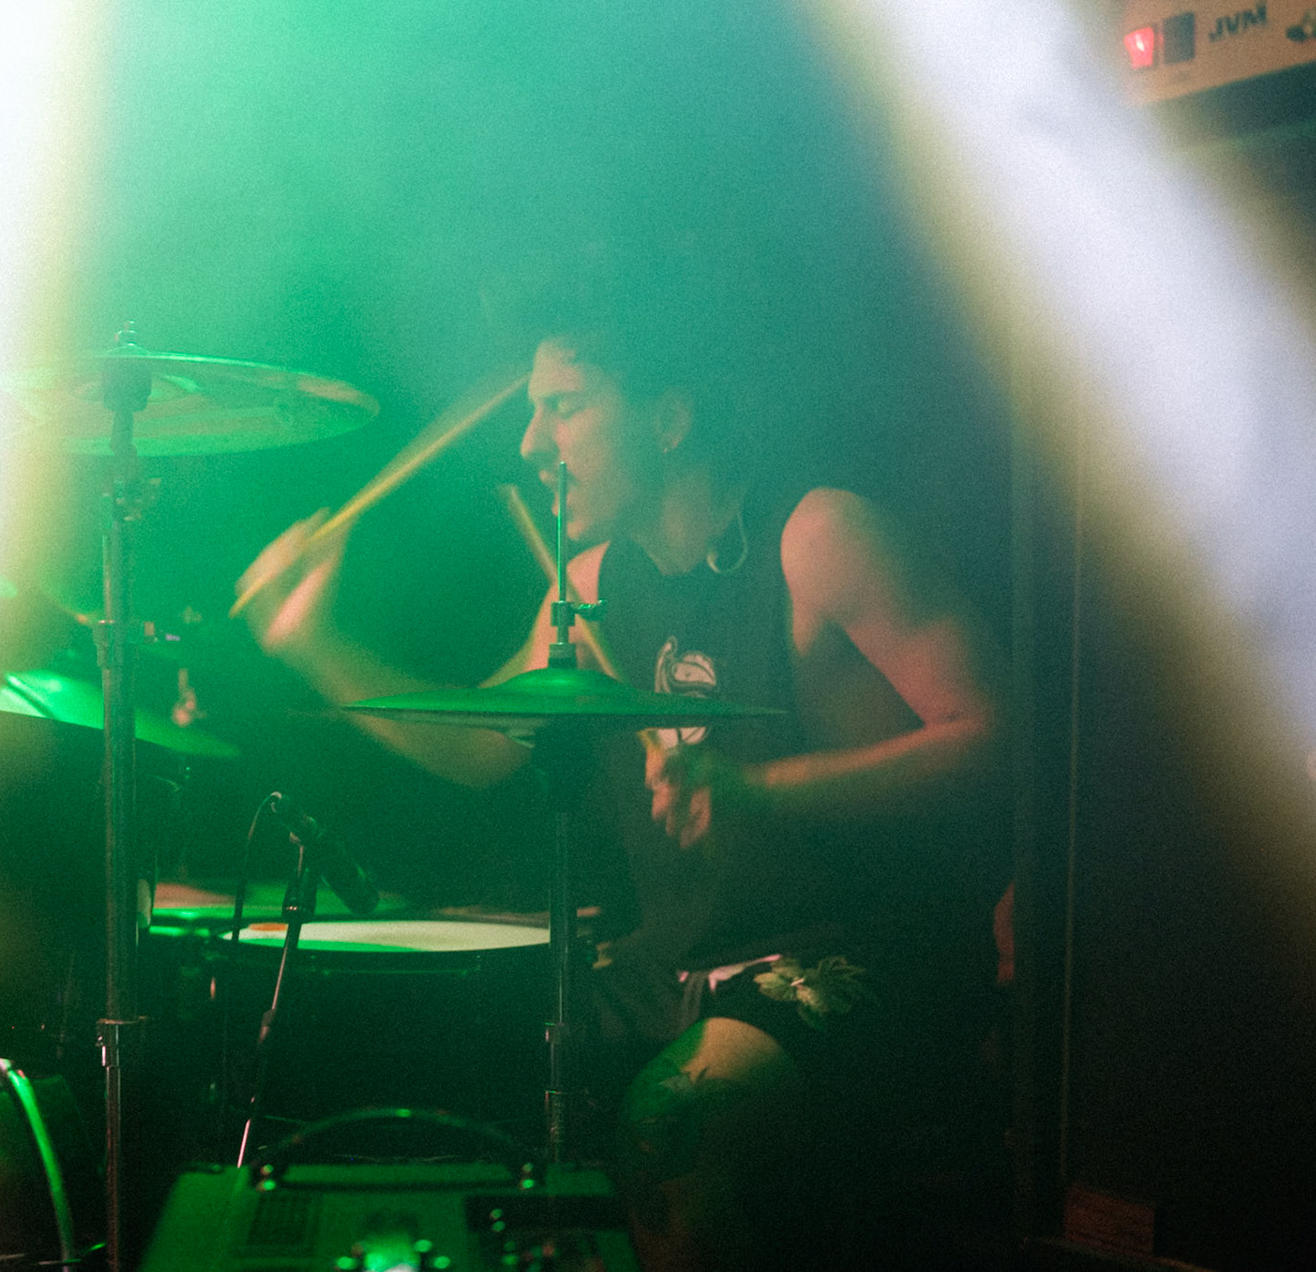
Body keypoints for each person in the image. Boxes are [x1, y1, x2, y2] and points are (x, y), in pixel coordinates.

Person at [234, 262, 1004, 1270]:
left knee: (666, 1130)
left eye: (564, 406)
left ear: (669, 419)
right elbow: (480, 747)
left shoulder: (817, 537)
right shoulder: (590, 584)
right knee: (458, 1079)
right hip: (676, 961)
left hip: (861, 952)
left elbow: (995, 737)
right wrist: (314, 643)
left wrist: (760, 790)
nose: (530, 443)